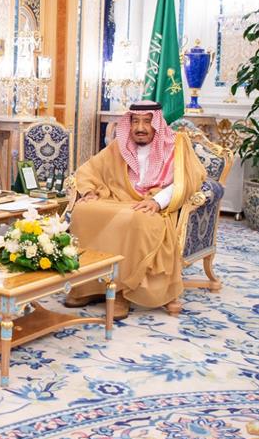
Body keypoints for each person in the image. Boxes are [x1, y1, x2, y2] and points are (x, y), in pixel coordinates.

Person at [66, 100, 206, 317]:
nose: (140, 128)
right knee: (84, 211)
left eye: (147, 122)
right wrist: (90, 191)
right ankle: (87, 286)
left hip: (154, 207)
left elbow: (188, 179)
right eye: (135, 122)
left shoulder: (176, 145)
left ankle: (121, 292)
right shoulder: (119, 146)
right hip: (118, 200)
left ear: (157, 123)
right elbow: (89, 169)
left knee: (134, 219)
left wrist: (157, 201)